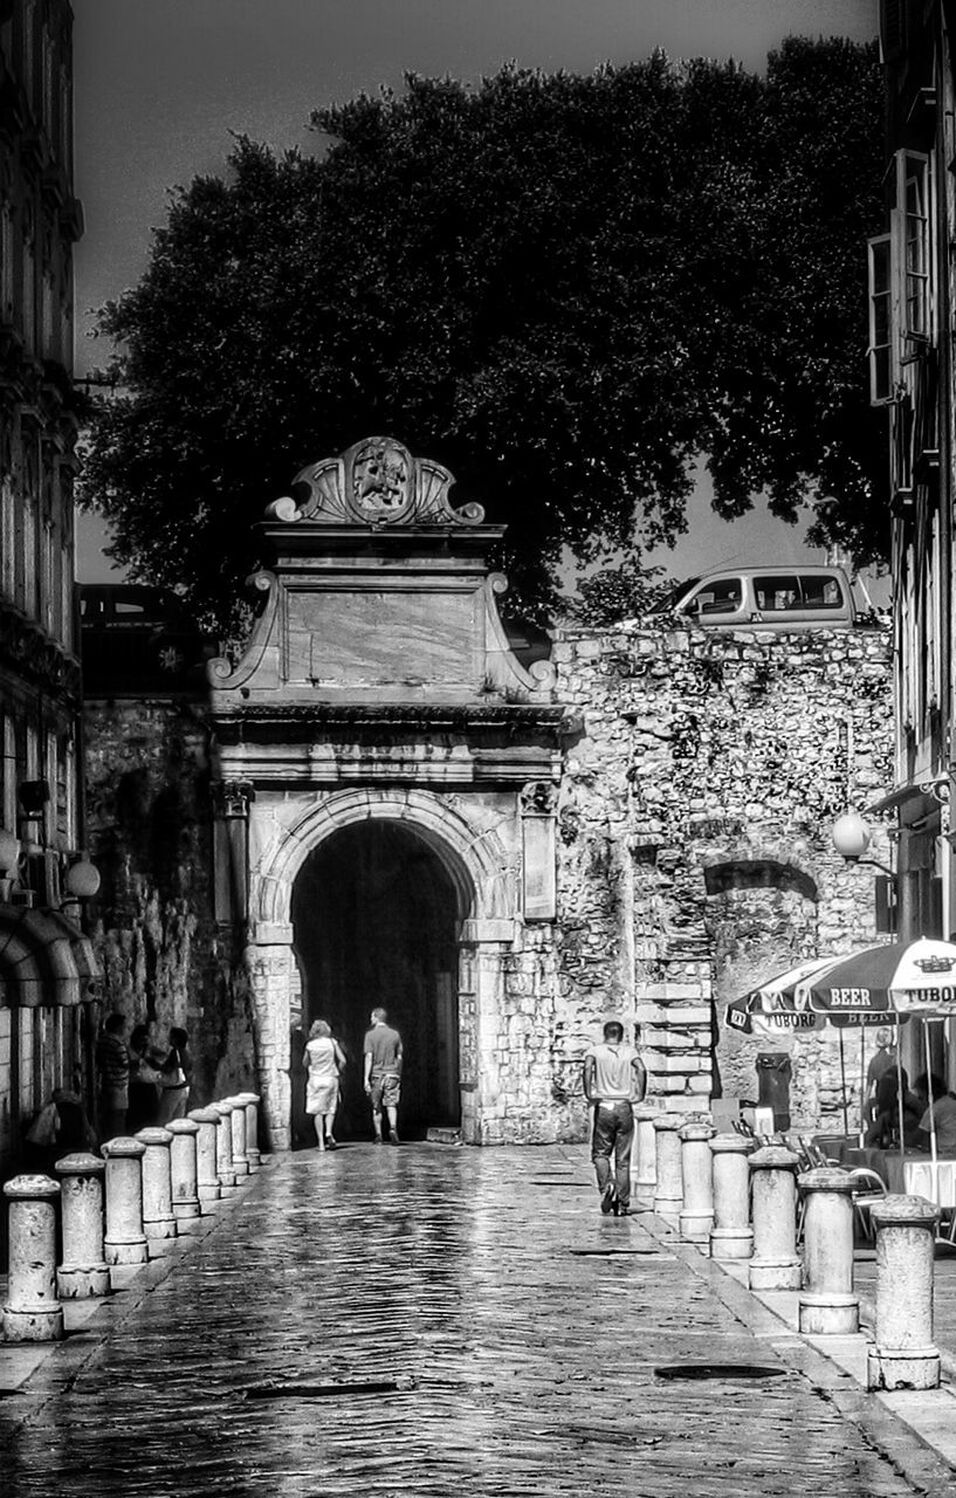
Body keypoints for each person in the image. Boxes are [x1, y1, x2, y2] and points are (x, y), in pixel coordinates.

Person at [583, 1019, 646, 1216]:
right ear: (620, 1034)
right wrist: (640, 1094)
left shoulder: (596, 1051)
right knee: (623, 1159)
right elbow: (642, 1069)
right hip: (624, 1105)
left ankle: (607, 1187)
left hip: (605, 1105)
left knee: (600, 1154)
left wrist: (589, 1092)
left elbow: (587, 1067)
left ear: (605, 1033)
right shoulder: (630, 1052)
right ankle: (623, 1203)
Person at [303, 1019, 347, 1150]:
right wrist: (338, 1069)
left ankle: (321, 1143)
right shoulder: (332, 1043)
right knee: (330, 1108)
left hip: (315, 1079)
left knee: (317, 1111)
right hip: (330, 1078)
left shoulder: (310, 1045)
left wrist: (312, 1065)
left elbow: (305, 1063)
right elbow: (343, 1060)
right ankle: (329, 1131)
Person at [363, 1007, 403, 1144]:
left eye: (371, 1017)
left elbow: (369, 1056)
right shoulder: (395, 1034)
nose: (370, 1019)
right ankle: (393, 1128)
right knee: (391, 1104)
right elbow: (399, 1056)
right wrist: (398, 1072)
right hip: (392, 1073)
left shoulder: (370, 1035)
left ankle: (378, 1135)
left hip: (376, 1074)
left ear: (375, 1017)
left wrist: (365, 1079)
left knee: (376, 1106)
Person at [864, 1066, 922, 1148]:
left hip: (905, 1125)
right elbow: (868, 1107)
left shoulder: (908, 1099)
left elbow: (922, 1113)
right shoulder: (884, 1114)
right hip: (888, 1120)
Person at [95, 1011, 130, 1139]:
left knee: (108, 1119)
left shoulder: (102, 1040)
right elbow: (126, 1063)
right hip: (119, 1086)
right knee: (118, 1119)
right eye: (124, 1026)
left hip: (107, 1083)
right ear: (118, 1027)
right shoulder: (117, 1043)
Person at [127, 1022, 164, 1132]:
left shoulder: (149, 1050)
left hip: (148, 1086)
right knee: (135, 1119)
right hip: (134, 1087)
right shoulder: (128, 1050)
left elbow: (162, 1058)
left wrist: (149, 1056)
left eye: (145, 1040)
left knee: (151, 1118)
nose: (142, 1043)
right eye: (141, 1040)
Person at [157, 1025, 193, 1125]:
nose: (169, 1039)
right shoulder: (186, 1053)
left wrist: (156, 1065)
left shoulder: (175, 1052)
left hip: (173, 1090)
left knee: (164, 1120)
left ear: (176, 1039)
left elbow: (168, 1069)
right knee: (178, 1121)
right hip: (184, 1089)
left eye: (171, 1037)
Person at [915, 1072, 956, 1152]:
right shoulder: (951, 1102)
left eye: (920, 1097)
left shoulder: (934, 1109)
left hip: (945, 1150)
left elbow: (918, 1137)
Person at [866, 1029, 897, 1122]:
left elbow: (869, 1085)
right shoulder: (895, 1057)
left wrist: (865, 1103)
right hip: (895, 1092)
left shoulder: (874, 1060)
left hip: (882, 1095)